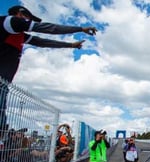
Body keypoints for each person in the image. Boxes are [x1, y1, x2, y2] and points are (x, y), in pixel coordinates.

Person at [0, 5, 97, 133]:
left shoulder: (19, 35)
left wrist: (70, 45)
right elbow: (50, 28)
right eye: (28, 18)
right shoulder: (11, 22)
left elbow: (43, 42)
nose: (28, 22)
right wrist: (80, 29)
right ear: (20, 14)